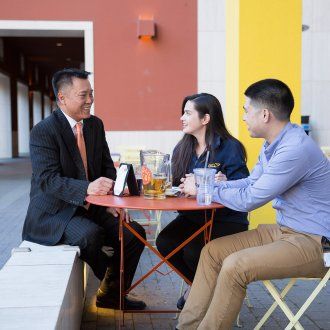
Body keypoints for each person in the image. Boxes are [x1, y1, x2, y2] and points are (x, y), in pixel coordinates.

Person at [177, 79, 330, 329]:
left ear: (265, 114)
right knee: (212, 252)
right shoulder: (273, 144)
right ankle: (185, 326)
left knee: (235, 266)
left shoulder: (294, 149)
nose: (244, 117)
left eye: (247, 110)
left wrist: (205, 188)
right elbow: (250, 182)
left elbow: (250, 199)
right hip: (285, 231)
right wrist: (214, 185)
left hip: (316, 242)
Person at [22, 68, 146, 310]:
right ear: (62, 97)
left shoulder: (94, 125)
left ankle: (111, 295)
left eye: (92, 94)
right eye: (83, 95)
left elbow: (108, 168)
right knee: (89, 236)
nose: (90, 100)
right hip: (56, 211)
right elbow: (48, 180)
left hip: (93, 206)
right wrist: (88, 187)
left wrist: (114, 204)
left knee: (134, 233)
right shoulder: (44, 131)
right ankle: (111, 280)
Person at [155, 93, 249, 308]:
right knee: (165, 242)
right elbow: (175, 184)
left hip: (226, 220)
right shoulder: (182, 148)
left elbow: (244, 184)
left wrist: (225, 181)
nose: (182, 118)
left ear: (205, 119)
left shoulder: (230, 147)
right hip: (194, 218)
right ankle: (200, 289)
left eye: (187, 113)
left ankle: (198, 298)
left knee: (194, 252)